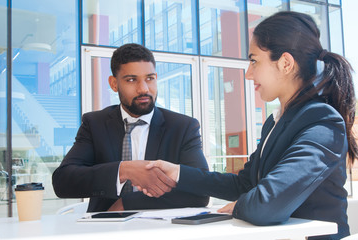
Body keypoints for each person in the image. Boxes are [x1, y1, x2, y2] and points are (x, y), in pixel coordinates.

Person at [143, 11, 357, 239]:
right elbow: (245, 184)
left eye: (254, 60)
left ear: (285, 63)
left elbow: (266, 204)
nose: (248, 74)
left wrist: (239, 206)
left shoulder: (322, 121)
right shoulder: (275, 122)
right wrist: (177, 173)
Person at [52, 43, 209, 212]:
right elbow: (63, 182)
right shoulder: (95, 124)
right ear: (113, 83)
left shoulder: (183, 127)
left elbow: (201, 191)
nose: (144, 89)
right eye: (131, 80)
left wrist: (128, 203)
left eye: (150, 78)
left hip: (161, 230)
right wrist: (124, 170)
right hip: (105, 230)